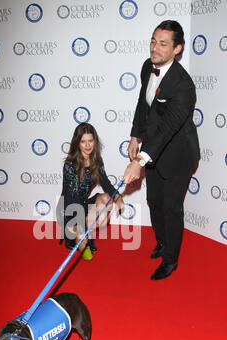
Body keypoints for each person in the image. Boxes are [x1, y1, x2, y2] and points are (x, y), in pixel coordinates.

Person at [123, 20, 200, 280]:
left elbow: (168, 128)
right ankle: (163, 242)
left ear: (177, 49)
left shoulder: (183, 85)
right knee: (153, 201)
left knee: (170, 207)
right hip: (154, 149)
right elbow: (143, 104)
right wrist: (136, 135)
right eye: (153, 41)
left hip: (178, 154)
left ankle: (171, 260)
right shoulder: (148, 66)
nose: (155, 48)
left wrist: (140, 160)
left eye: (163, 44)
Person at [58, 122, 124, 260]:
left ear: (95, 141)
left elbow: (106, 184)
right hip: (70, 208)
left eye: (90, 141)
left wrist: (118, 198)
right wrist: (80, 223)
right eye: (83, 142)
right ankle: (73, 229)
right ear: (77, 143)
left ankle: (82, 232)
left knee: (107, 200)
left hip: (83, 203)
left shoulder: (97, 161)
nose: (88, 145)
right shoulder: (70, 165)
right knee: (89, 217)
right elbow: (73, 197)